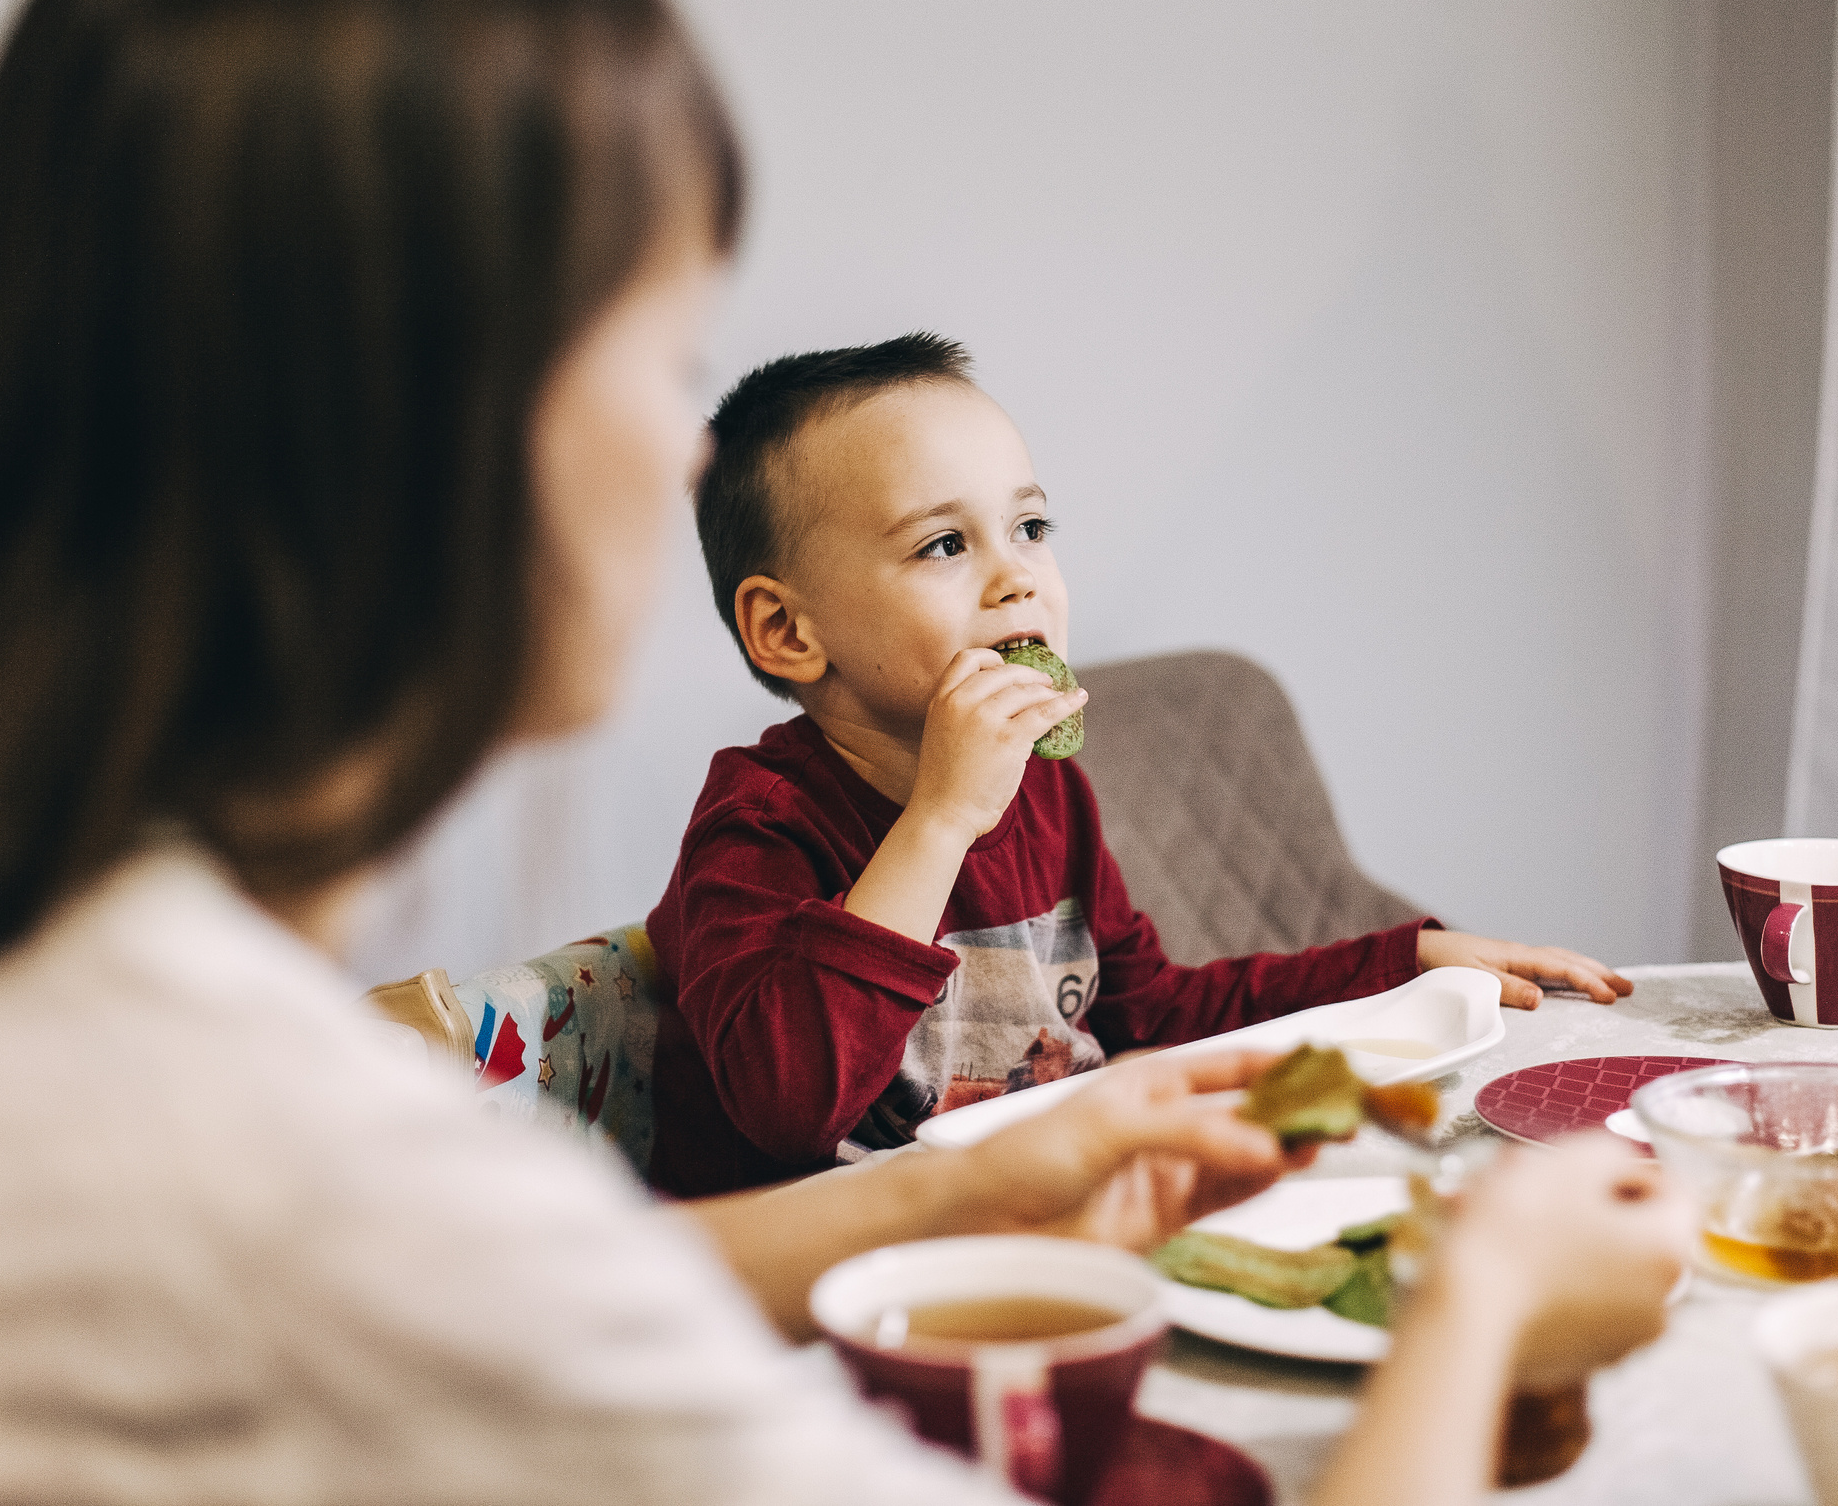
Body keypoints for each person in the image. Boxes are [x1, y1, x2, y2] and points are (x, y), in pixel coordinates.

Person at [0, 0, 1688, 1506]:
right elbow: (509, 1256)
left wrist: (974, 1186)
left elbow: (512, 1297)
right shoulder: (286, 1168)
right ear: (442, 423)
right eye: (669, 356)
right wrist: (1488, 1296)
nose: (688, 452)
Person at [648, 336, 1635, 1196]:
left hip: (1039, 1204)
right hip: (830, 1273)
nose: (1016, 576)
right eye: (945, 544)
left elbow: (1153, 1013)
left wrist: (1401, 960)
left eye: (1030, 528)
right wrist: (940, 822)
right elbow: (784, 1106)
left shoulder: (1048, 792)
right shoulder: (761, 819)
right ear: (785, 630)